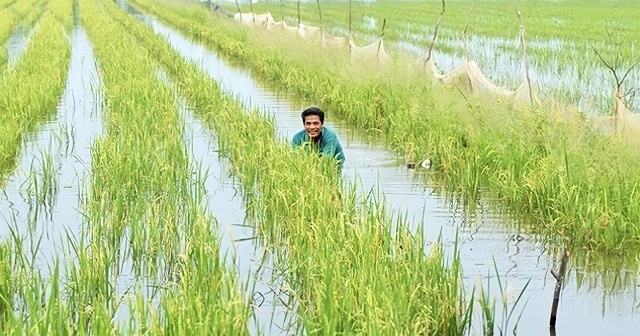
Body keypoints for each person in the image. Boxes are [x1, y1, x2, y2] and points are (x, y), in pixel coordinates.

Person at [292, 106, 345, 171]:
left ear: (322, 124)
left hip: (335, 167)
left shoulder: (330, 136)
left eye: (316, 123)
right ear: (304, 125)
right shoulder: (297, 138)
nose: (312, 127)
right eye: (308, 124)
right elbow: (297, 160)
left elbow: (326, 161)